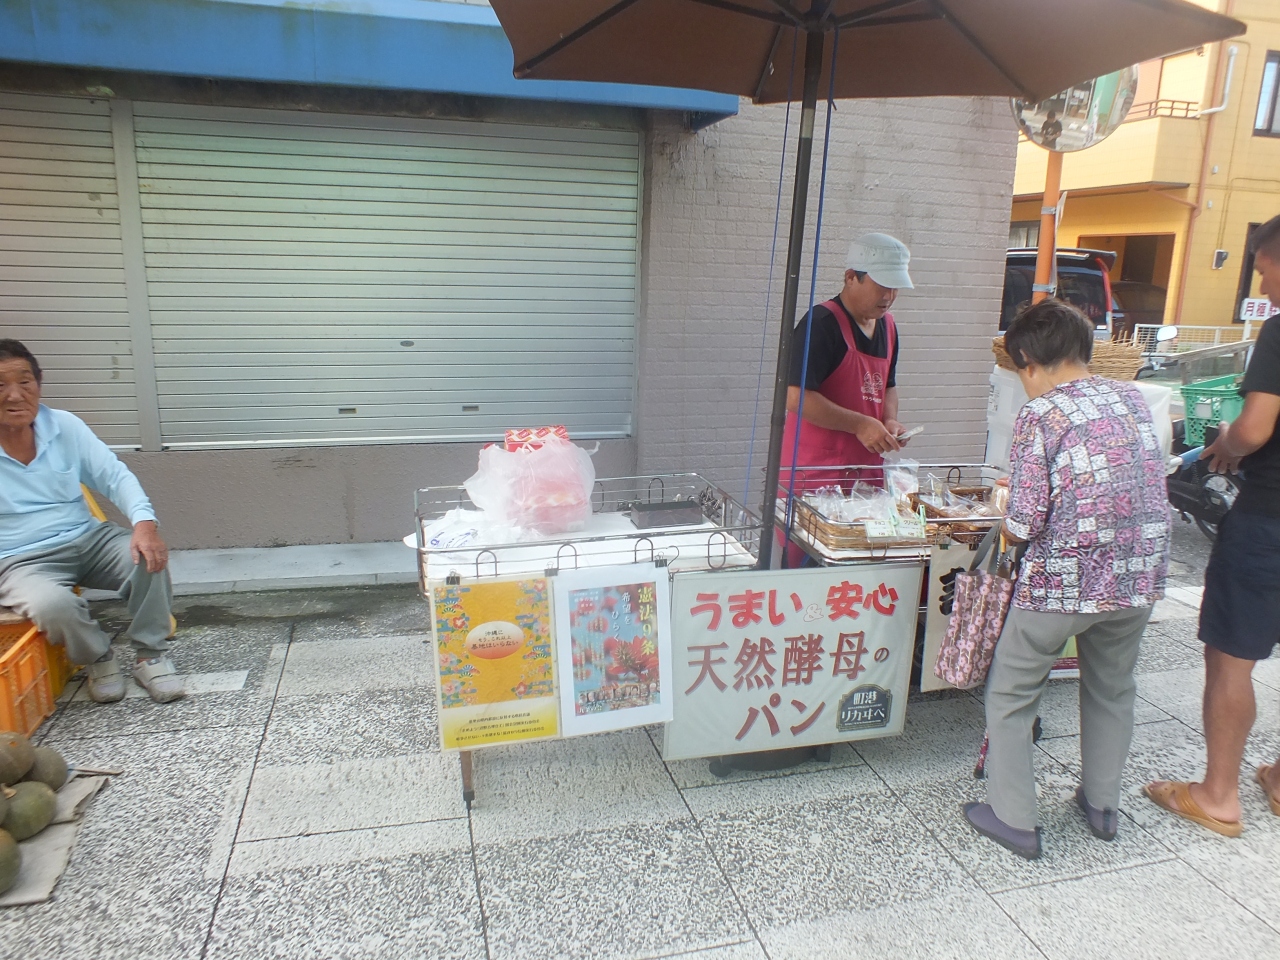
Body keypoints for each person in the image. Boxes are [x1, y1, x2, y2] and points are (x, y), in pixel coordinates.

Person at [963, 299, 1171, 860]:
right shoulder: (1132, 399)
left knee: (1011, 693)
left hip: (1064, 584)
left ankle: (1014, 819)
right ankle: (1102, 806)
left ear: (1029, 362)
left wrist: (1004, 523)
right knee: (1112, 688)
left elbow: (1026, 521)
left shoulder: (1042, 414)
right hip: (1139, 577)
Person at [1145, 213, 1280, 835]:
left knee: (1229, 658)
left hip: (1270, 521)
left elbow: (1254, 429)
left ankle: (1219, 795)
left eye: (1265, 269)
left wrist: (1226, 441)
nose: (1264, 285)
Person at [0, 339, 184, 704]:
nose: (14, 395)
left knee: (148, 559)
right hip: (20, 559)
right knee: (53, 606)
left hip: (88, 538)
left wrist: (144, 525)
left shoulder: (64, 426)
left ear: (39, 383)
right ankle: (98, 658)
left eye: (24, 381)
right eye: (0, 385)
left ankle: (150, 654)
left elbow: (114, 476)